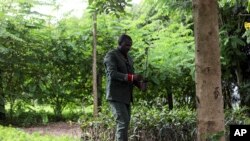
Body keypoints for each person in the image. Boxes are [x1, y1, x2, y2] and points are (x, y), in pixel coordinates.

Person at [104, 34, 146, 141]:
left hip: (126, 97)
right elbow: (112, 73)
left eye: (130, 45)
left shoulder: (129, 58)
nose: (129, 47)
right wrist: (132, 77)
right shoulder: (111, 55)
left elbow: (132, 76)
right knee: (123, 122)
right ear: (120, 44)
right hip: (116, 95)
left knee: (125, 123)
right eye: (126, 45)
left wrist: (139, 84)